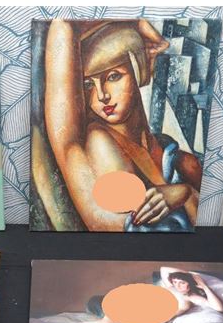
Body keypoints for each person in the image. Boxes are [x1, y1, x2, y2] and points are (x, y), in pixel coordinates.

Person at [44, 19, 203, 231]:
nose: (102, 95)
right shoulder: (93, 143)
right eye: (88, 84)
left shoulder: (180, 162)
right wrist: (138, 20)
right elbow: (62, 24)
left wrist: (184, 193)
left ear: (139, 71)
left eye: (113, 76)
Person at [39, 266, 223, 323]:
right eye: (176, 282)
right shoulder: (171, 286)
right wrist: (186, 275)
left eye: (182, 282)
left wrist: (202, 284)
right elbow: (164, 269)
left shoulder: (192, 298)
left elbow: (219, 308)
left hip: (150, 322)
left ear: (191, 284)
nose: (178, 285)